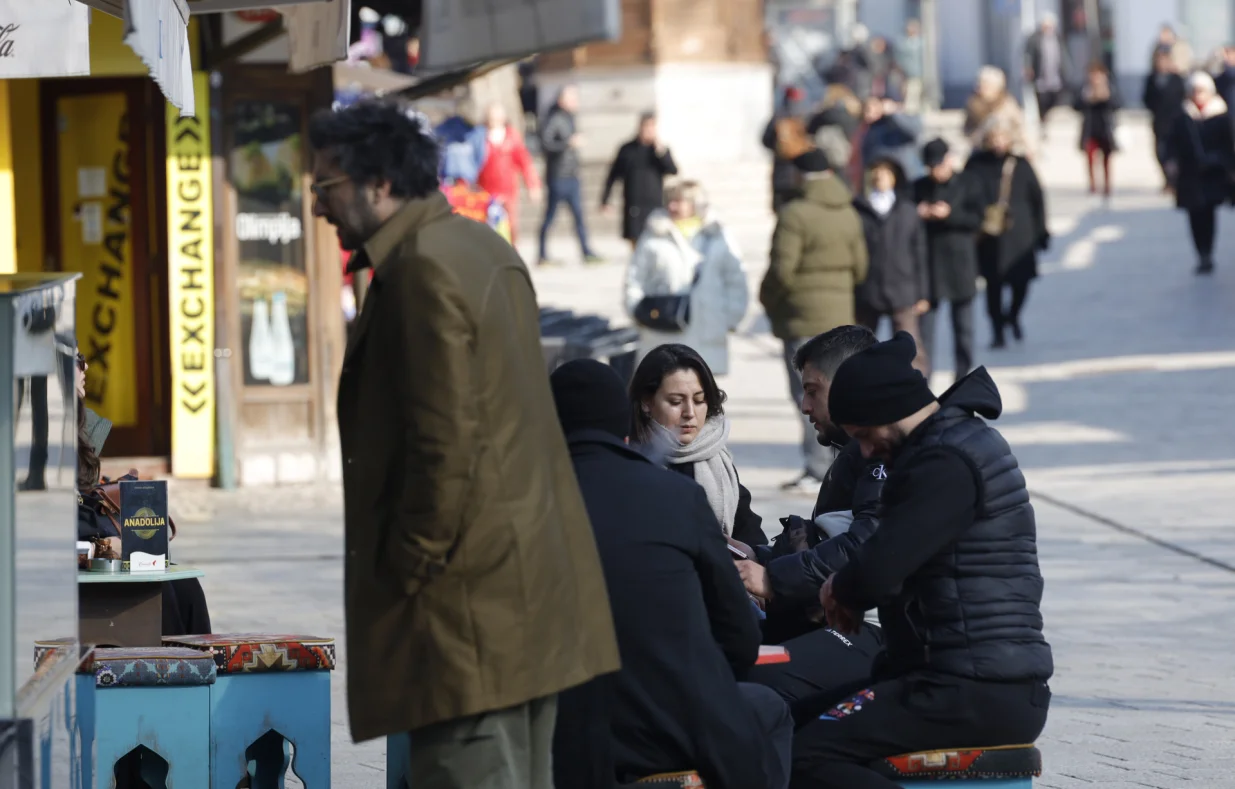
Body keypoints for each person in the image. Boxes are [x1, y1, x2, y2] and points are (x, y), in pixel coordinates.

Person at [309, 101, 620, 784]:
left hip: (466, 607)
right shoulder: (478, 246)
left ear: (379, 182)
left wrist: (410, 570)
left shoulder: (420, 269)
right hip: (519, 591)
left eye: (325, 187)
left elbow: (444, 446)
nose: (317, 207)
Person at [791, 331, 1054, 789]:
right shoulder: (949, 446)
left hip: (974, 690)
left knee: (803, 756)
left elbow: (882, 565)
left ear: (886, 413)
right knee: (786, 724)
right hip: (956, 681)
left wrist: (840, 588)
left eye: (864, 437)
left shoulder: (946, 462)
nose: (866, 452)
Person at [549, 359, 793, 789]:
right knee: (767, 707)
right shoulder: (676, 496)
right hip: (670, 725)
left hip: (557, 736)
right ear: (627, 422)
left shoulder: (517, 504)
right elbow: (739, 634)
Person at [736, 326, 887, 708]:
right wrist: (759, 557)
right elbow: (830, 539)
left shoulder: (882, 451)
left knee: (759, 679)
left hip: (881, 633)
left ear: (851, 385)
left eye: (813, 391)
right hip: (846, 621)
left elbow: (867, 544)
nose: (804, 406)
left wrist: (773, 577)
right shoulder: (854, 452)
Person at [73, 350, 211, 637]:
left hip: (91, 542)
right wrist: (98, 548)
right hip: (70, 563)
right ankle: (167, 672)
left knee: (186, 587)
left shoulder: (81, 425)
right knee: (157, 592)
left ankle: (200, 669)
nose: (85, 366)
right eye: (75, 359)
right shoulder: (27, 438)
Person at [760, 149, 868, 493]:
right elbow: (861, 267)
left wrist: (766, 298)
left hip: (802, 316)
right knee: (838, 393)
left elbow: (782, 270)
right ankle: (843, 462)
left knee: (807, 395)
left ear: (798, 175)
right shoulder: (848, 211)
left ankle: (817, 466)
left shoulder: (795, 214)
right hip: (840, 317)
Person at [629, 344, 767, 550]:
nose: (690, 413)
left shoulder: (715, 456)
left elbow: (749, 531)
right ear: (646, 403)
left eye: (699, 400)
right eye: (676, 402)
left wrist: (755, 555)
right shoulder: (629, 460)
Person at [624, 180, 749, 375]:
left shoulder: (718, 235)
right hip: (661, 331)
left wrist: (731, 317)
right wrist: (636, 312)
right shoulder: (654, 234)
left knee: (702, 395)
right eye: (669, 201)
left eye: (679, 201)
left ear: (695, 204)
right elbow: (635, 278)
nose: (672, 206)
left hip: (707, 329)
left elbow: (736, 279)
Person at [966, 118, 1048, 349]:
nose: (998, 143)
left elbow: (1037, 199)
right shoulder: (975, 165)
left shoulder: (1021, 165)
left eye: (1002, 138)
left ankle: (1012, 315)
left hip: (1020, 234)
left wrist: (1041, 231)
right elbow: (966, 194)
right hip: (989, 235)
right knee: (993, 285)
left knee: (1021, 283)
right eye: (994, 138)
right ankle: (997, 329)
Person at [913, 139, 982, 381]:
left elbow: (977, 219)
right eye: (931, 167)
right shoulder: (918, 188)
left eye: (939, 165)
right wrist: (918, 214)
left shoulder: (968, 183)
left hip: (960, 264)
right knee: (925, 333)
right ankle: (924, 380)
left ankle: (963, 379)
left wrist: (950, 215)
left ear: (949, 160)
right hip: (929, 267)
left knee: (964, 330)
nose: (935, 171)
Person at [852, 159, 929, 375]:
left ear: (894, 178)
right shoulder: (859, 208)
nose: (879, 178)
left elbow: (919, 253)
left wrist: (922, 293)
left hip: (902, 288)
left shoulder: (907, 210)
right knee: (859, 347)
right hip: (868, 288)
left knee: (910, 346)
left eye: (885, 173)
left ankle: (916, 394)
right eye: (875, 173)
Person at [1166, 71, 1234, 276]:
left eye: (1201, 91)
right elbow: (1171, 142)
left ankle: (1208, 252)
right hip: (1191, 173)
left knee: (1209, 213)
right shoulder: (1182, 116)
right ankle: (1201, 253)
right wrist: (1170, 162)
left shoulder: (1221, 115)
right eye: (1194, 91)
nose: (1198, 95)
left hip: (1214, 173)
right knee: (1195, 215)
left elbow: (1229, 144)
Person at [538, 84, 604, 266]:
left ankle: (586, 251)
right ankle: (542, 254)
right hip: (558, 176)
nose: (576, 102)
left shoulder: (569, 118)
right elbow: (546, 144)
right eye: (572, 98)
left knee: (579, 216)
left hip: (572, 175)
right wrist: (568, 143)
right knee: (550, 216)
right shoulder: (554, 118)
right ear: (562, 100)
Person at [602, 112, 679, 247]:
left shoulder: (659, 151)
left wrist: (661, 153)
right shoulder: (627, 149)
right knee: (635, 240)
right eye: (646, 127)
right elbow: (613, 175)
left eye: (652, 127)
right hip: (634, 204)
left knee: (656, 240)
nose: (649, 131)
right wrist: (605, 199)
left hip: (654, 203)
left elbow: (673, 170)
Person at [475, 101, 541, 245]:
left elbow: (524, 162)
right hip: (486, 190)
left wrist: (533, 185)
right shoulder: (480, 136)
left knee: (511, 226)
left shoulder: (512, 136)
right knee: (487, 227)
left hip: (509, 189)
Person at [762, 86, 813, 212]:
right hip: (801, 172)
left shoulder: (778, 118)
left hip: (781, 172)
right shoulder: (806, 117)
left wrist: (777, 148)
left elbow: (765, 140)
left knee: (781, 209)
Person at [1142, 49, 1186, 191]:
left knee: (1175, 153)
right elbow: (1146, 98)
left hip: (1175, 121)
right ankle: (1167, 178)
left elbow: (1182, 97)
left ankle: (1174, 180)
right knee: (1160, 152)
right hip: (1159, 122)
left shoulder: (1176, 78)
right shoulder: (1152, 79)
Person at [1075, 63, 1120, 198]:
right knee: (1090, 156)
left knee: (1106, 158)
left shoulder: (1110, 89)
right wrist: (1087, 99)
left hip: (1105, 129)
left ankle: (1107, 185)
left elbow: (1118, 104)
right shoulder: (1085, 90)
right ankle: (1093, 184)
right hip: (1090, 129)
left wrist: (1106, 97)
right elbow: (1075, 105)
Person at [1023, 12, 1073, 135]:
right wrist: (1028, 68)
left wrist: (1067, 70)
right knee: (1042, 102)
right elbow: (1028, 55)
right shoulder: (1035, 39)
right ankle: (1043, 121)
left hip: (1055, 77)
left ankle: (1048, 118)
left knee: (1055, 99)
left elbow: (1064, 55)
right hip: (1041, 78)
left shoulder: (1058, 38)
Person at [963, 66, 1028, 156]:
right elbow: (967, 131)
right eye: (980, 84)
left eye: (986, 85)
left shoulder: (1008, 105)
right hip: (981, 153)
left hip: (1007, 152)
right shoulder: (973, 105)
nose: (980, 88)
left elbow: (1019, 130)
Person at [858, 97, 923, 182]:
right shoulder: (870, 132)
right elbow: (867, 159)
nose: (868, 114)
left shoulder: (898, 118)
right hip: (887, 183)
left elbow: (915, 131)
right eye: (865, 111)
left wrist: (894, 112)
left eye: (870, 109)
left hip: (910, 176)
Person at [896, 19, 925, 114]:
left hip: (918, 72)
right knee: (907, 91)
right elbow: (899, 58)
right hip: (906, 72)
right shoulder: (903, 43)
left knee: (916, 90)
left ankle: (914, 109)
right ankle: (910, 110)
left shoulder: (921, 43)